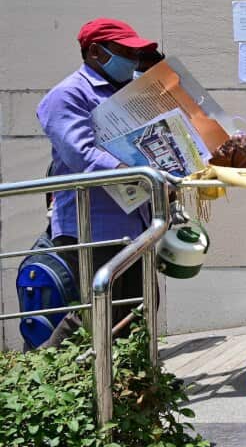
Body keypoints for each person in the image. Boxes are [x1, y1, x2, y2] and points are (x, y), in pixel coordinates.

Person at [37, 18, 159, 341]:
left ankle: (130, 385)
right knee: (96, 314)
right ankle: (40, 379)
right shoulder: (66, 96)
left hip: (136, 222)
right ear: (94, 52)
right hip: (91, 226)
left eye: (136, 55)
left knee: (141, 307)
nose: (133, 61)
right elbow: (84, 157)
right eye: (125, 52)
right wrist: (144, 173)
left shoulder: (128, 93)